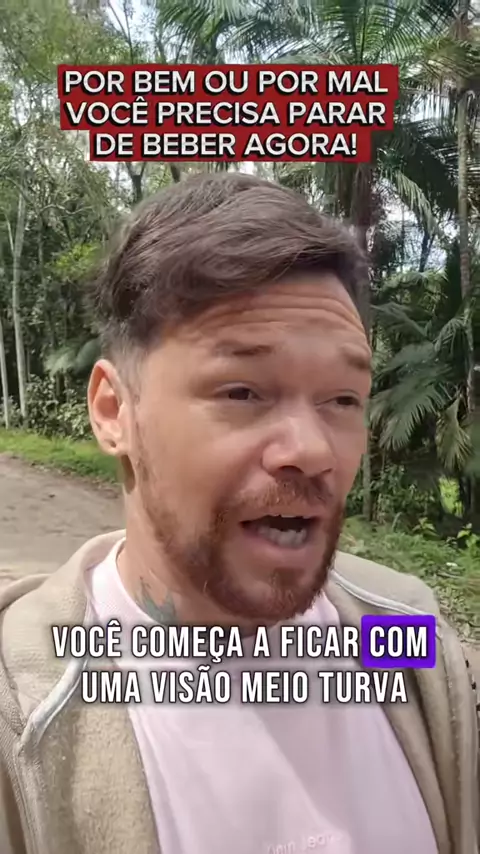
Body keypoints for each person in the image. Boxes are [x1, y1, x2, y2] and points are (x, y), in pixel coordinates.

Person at [0, 172, 477, 854]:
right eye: (242, 392)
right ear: (114, 411)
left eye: (343, 399)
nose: (313, 451)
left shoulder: (406, 637)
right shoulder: (25, 708)